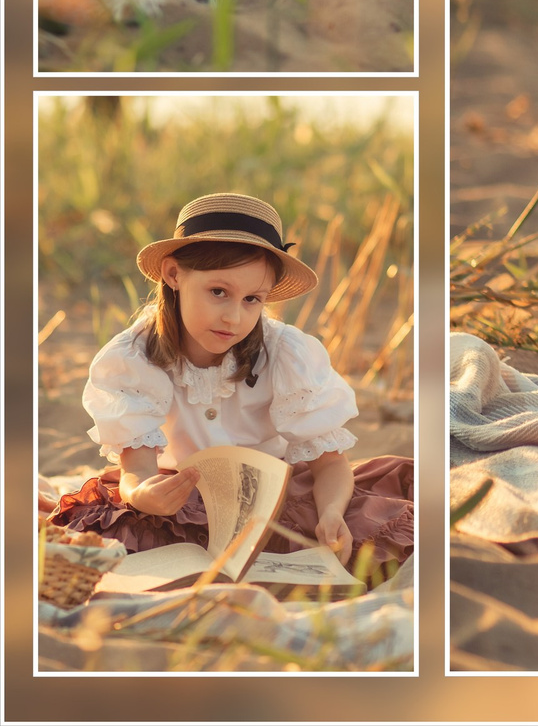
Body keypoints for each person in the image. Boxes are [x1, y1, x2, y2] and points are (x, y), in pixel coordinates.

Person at [48, 194, 413, 576]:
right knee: (114, 532)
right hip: (178, 495)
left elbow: (330, 463)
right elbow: (136, 470)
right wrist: (142, 495)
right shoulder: (133, 357)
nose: (234, 318)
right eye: (218, 292)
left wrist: (332, 513)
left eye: (252, 299)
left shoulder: (286, 353)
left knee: (370, 523)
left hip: (272, 493)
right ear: (173, 275)